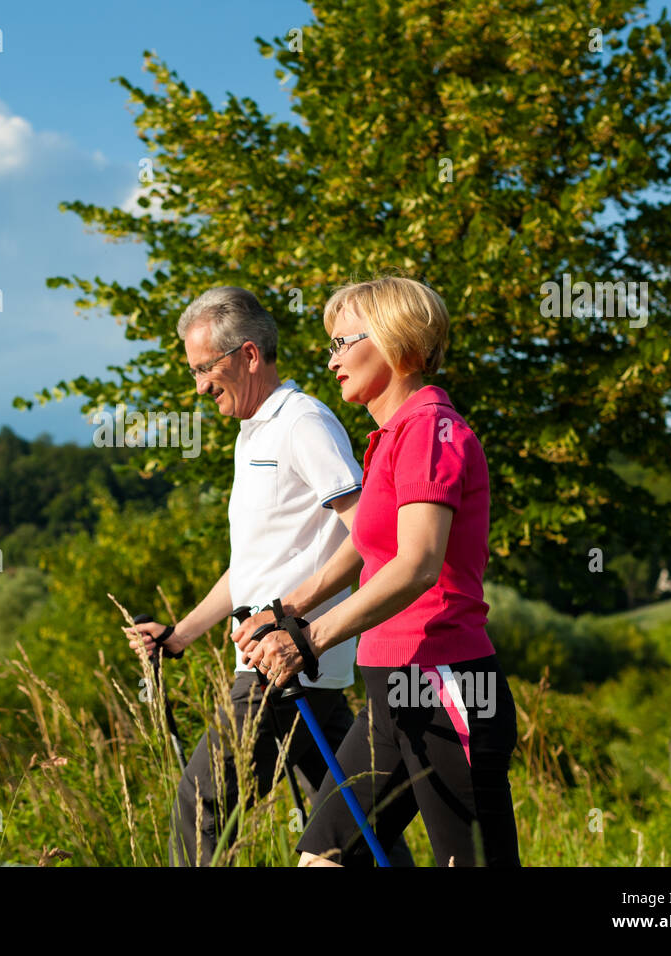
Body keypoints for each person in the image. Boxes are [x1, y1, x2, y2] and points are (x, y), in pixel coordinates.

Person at [125, 285, 412, 867]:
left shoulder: (303, 422)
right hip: (297, 664)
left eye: (206, 367)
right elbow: (250, 568)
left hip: (286, 665)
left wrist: (290, 614)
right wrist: (177, 636)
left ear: (249, 355)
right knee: (349, 823)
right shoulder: (252, 432)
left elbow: (371, 534)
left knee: (200, 802)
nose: (199, 385)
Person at [241, 275, 521, 867]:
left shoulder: (429, 431)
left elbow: (418, 563)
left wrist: (310, 639)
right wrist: (285, 610)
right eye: (331, 346)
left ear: (397, 342)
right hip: (391, 690)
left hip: (446, 684)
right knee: (322, 859)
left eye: (344, 342)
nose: (333, 360)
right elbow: (368, 548)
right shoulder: (390, 437)